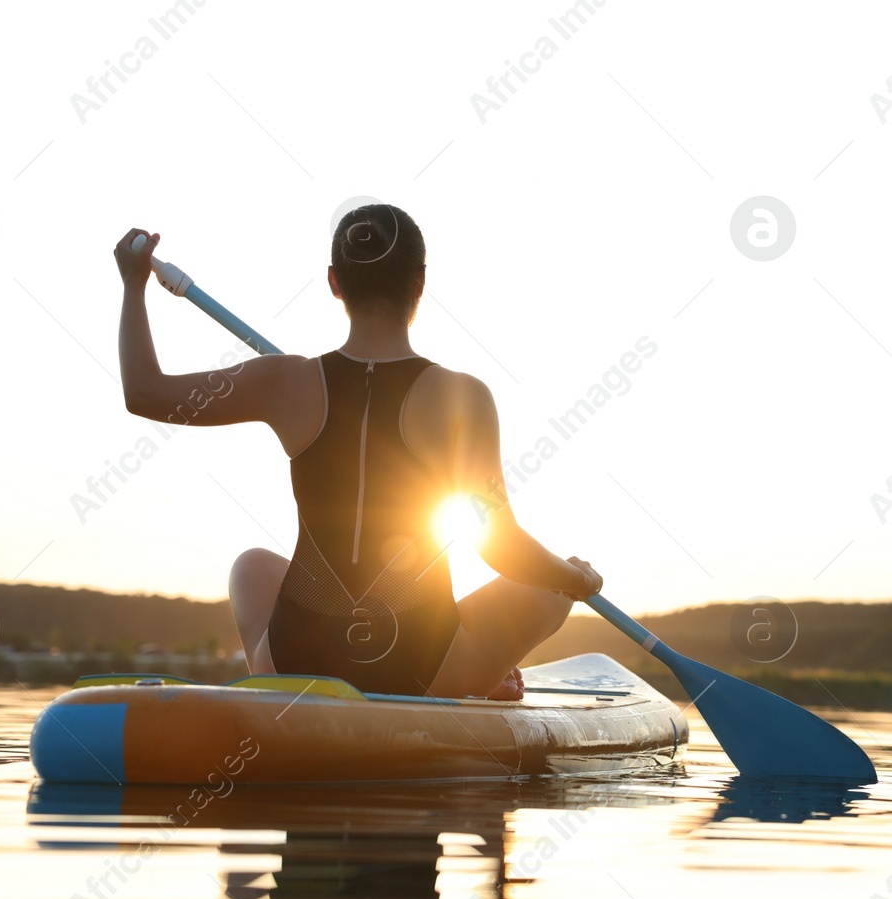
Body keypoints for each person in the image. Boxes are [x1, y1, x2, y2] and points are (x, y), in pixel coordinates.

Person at [112, 204, 601, 700]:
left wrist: (134, 287)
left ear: (334, 283)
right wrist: (577, 579)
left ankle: (299, 701)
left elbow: (145, 394)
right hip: (419, 668)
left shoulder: (284, 380)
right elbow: (498, 544)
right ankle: (479, 676)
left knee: (251, 565)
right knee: (551, 586)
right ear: (419, 282)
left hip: (296, 659)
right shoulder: (463, 396)